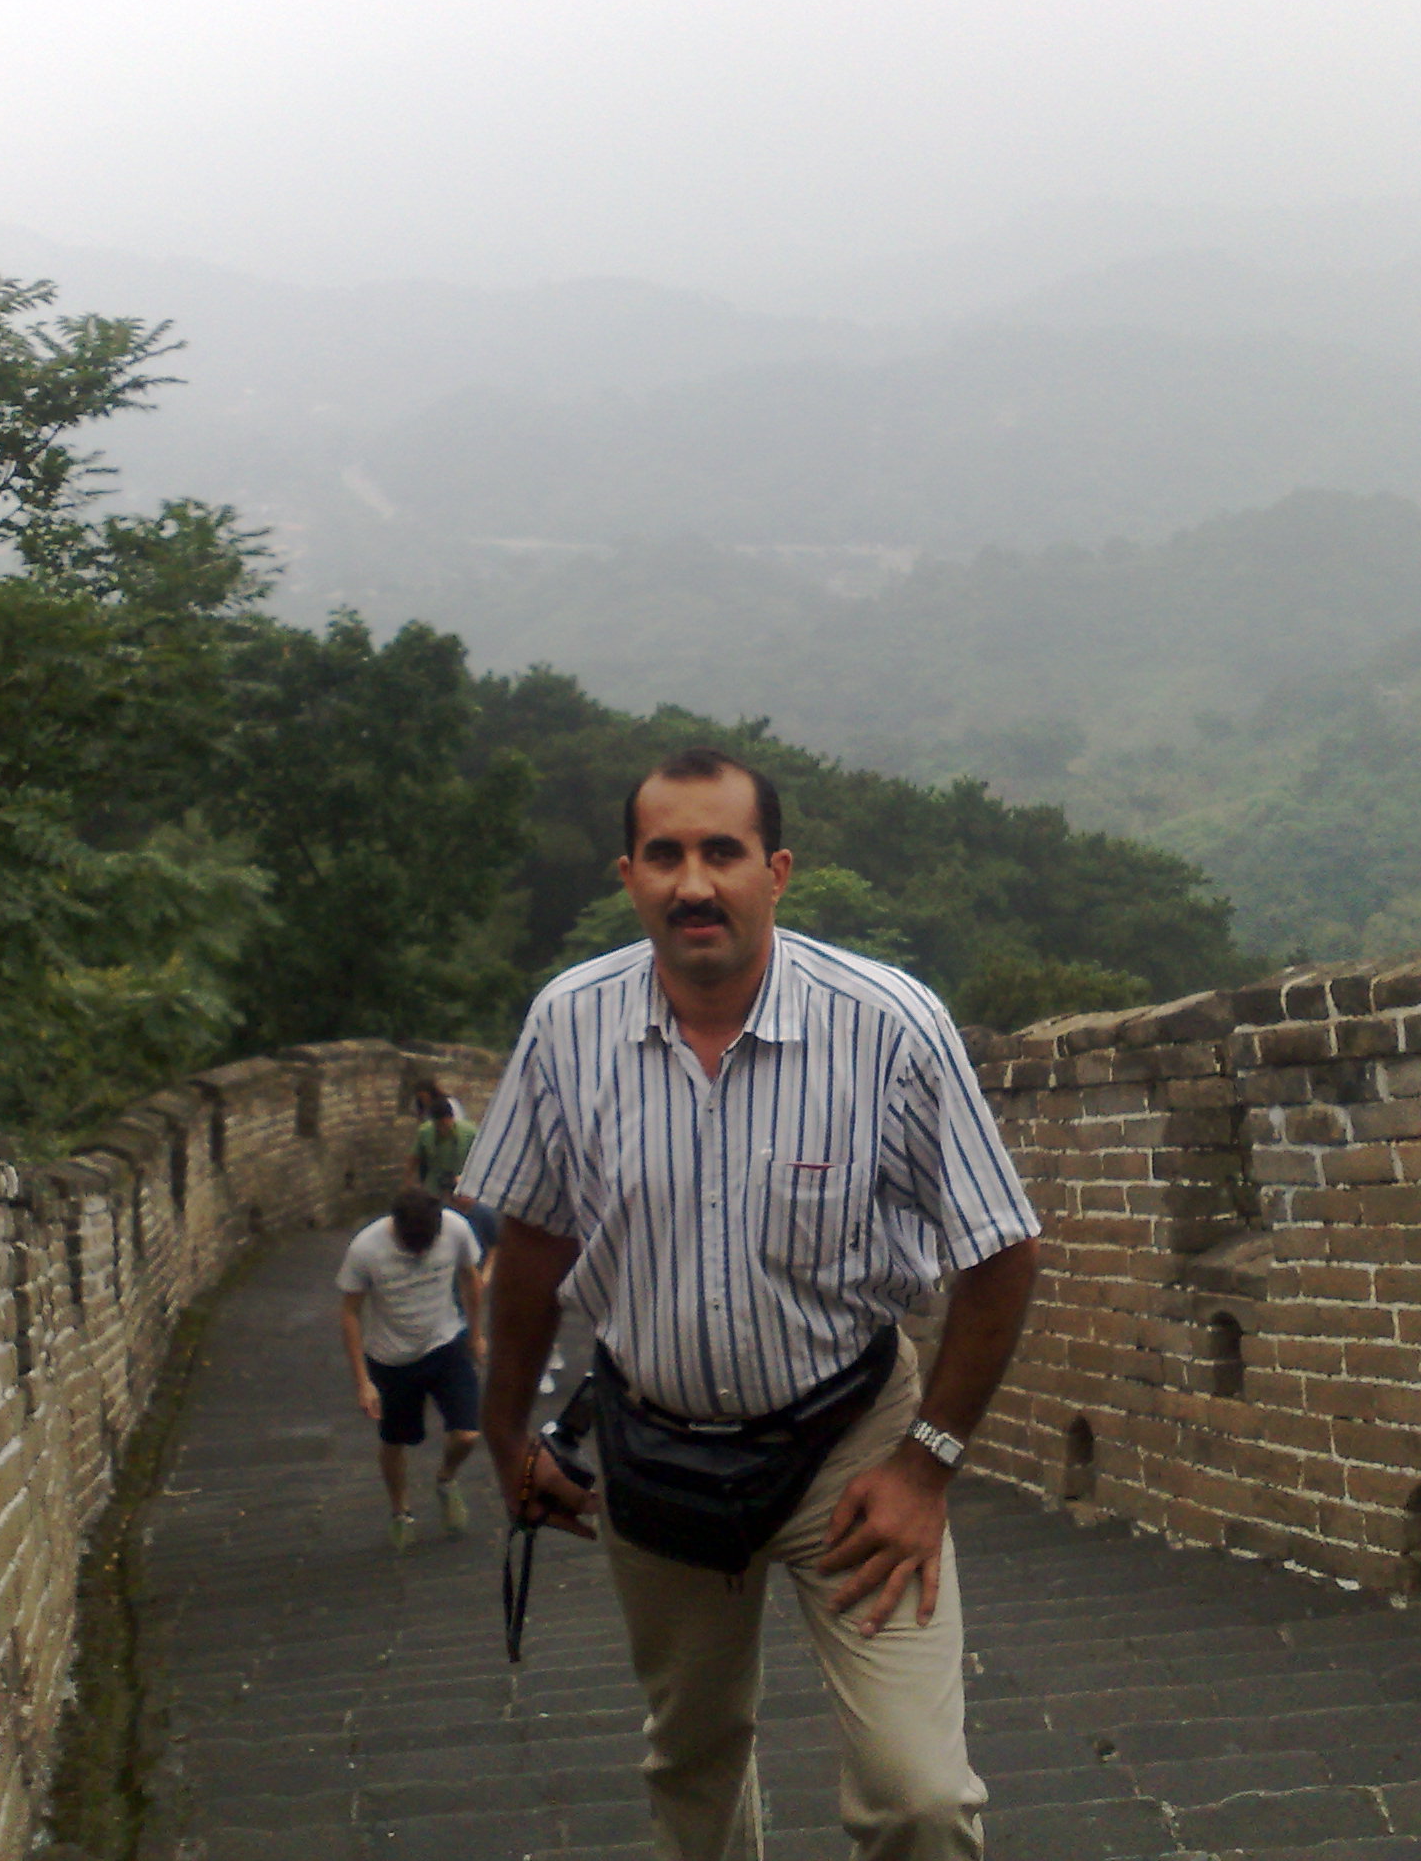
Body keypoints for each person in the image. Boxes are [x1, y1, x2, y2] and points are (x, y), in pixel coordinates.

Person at [463, 748, 1040, 1861]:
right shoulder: (567, 1025)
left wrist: (927, 1465)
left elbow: (1003, 1250)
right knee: (693, 1764)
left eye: (722, 852)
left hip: (849, 1447)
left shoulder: (886, 1025)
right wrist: (504, 1435)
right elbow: (533, 1240)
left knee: (920, 1798)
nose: (694, 884)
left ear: (775, 871)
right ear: (629, 876)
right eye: (666, 856)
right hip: (655, 1449)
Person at [337, 1184, 486, 1550]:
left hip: (446, 1344)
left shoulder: (455, 1228)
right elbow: (350, 1313)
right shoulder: (366, 1248)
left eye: (427, 1245)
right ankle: (400, 1511)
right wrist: (363, 1382)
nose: (420, 1252)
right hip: (392, 1359)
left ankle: (446, 1479)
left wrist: (476, 1334)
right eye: (411, 1245)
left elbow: (470, 1278)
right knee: (395, 1441)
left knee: (468, 1434)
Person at [408, 1085, 494, 1252]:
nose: (443, 1129)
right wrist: (408, 1182)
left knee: (472, 1220)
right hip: (435, 1187)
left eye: (446, 1124)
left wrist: (469, 1179)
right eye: (439, 1125)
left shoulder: (469, 1132)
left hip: (462, 1187)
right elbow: (414, 1158)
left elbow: (483, 1158)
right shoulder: (425, 1133)